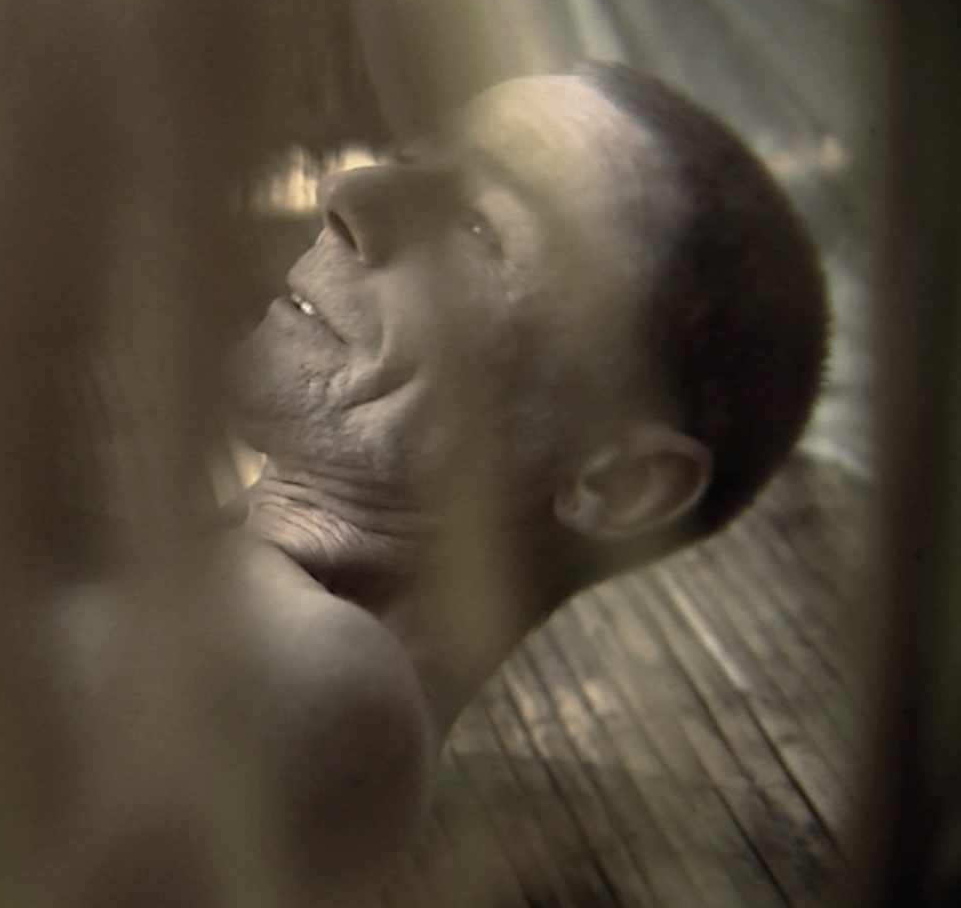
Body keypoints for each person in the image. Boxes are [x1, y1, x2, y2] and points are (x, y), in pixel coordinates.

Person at [109, 61, 830, 884]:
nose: (348, 193)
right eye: (410, 160)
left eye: (478, 227)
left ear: (619, 483)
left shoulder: (301, 695)